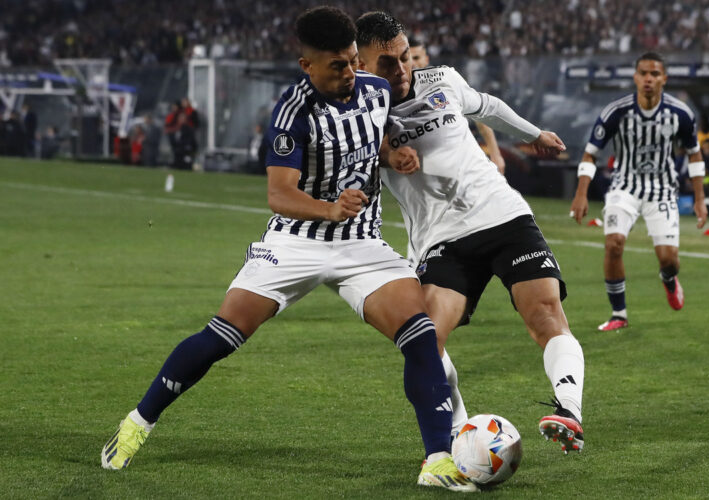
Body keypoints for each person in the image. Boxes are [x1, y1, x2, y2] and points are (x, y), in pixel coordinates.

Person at [101, 7, 475, 492]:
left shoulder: (377, 91)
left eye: (351, 62)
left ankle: (437, 460)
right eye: (336, 66)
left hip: (361, 243)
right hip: (296, 240)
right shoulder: (291, 114)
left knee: (421, 335)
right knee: (222, 336)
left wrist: (392, 154)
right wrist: (329, 208)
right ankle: (137, 423)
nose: (348, 74)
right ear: (307, 66)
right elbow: (280, 194)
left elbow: (370, 136)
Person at [356, 12, 586, 455]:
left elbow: (488, 106)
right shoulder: (354, 110)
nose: (401, 70)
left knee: (545, 314)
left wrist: (534, 134)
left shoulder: (441, 78)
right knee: (424, 340)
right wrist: (386, 154)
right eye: (388, 65)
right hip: (441, 241)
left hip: (503, 217)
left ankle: (569, 410)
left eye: (405, 58)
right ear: (361, 64)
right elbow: (340, 158)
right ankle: (460, 436)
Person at [569, 52, 708, 331]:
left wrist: (700, 200)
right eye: (643, 73)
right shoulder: (615, 112)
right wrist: (581, 193)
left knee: (669, 260)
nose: (648, 78)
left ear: (664, 79)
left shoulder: (680, 113)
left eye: (654, 74)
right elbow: (589, 154)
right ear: (635, 77)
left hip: (663, 190)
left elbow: (694, 155)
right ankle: (619, 314)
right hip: (624, 187)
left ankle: (669, 279)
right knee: (613, 244)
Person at [409, 37, 506, 174]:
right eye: (408, 58)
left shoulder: (444, 82)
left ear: (426, 59)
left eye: (417, 57)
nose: (413, 63)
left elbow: (479, 115)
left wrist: (495, 154)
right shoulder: (397, 91)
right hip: (420, 167)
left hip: (456, 161)